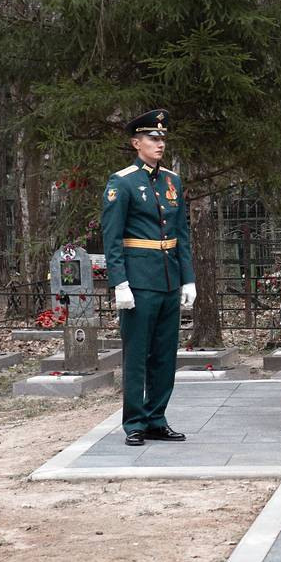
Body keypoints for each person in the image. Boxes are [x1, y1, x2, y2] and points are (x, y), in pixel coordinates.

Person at [102, 109, 197, 446]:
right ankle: (135, 423)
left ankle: (157, 417)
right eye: (153, 138)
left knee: (164, 354)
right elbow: (112, 238)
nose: (160, 143)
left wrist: (188, 279)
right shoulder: (122, 182)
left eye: (162, 138)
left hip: (169, 279)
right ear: (136, 142)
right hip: (139, 281)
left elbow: (181, 233)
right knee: (137, 354)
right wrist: (120, 283)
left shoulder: (172, 180)